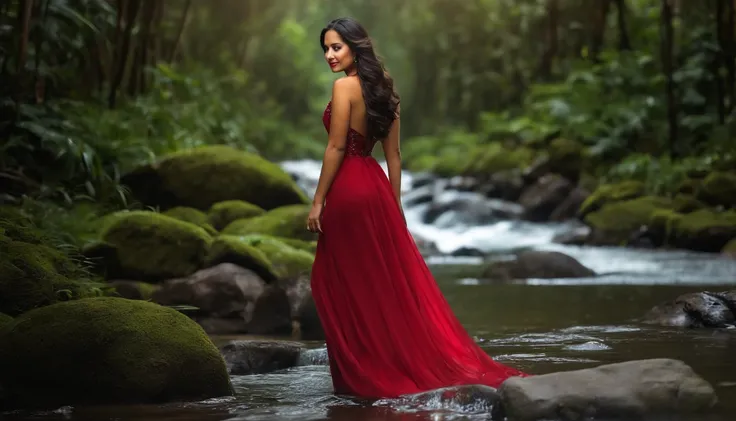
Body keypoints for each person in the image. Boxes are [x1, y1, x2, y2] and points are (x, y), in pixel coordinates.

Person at [307, 17, 528, 399]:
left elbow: (337, 148)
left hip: (347, 188)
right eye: (325, 48)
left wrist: (317, 201)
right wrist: (394, 206)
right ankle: (388, 360)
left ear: (355, 47)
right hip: (374, 188)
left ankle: (364, 372)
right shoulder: (385, 91)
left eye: (336, 47)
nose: (329, 55)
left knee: (338, 281)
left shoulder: (344, 87)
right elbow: (394, 156)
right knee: (380, 283)